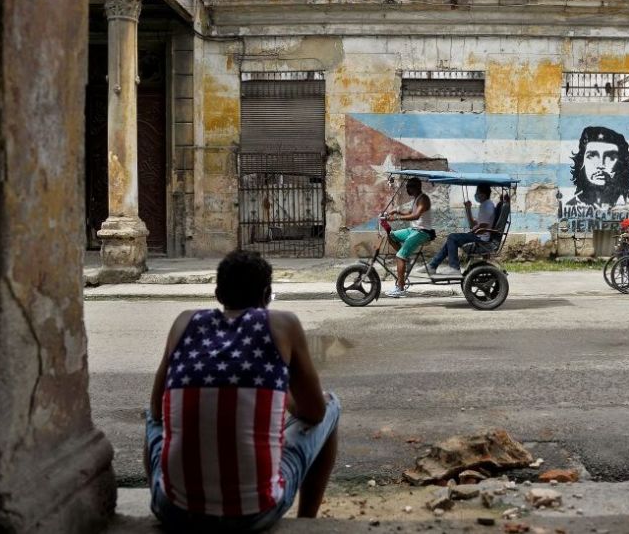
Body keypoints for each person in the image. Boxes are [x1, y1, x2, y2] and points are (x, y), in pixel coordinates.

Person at [144, 250, 340, 532]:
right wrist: (280, 395)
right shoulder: (283, 324)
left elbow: (155, 408)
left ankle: (169, 492)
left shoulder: (183, 322)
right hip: (254, 514)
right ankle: (306, 521)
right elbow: (314, 412)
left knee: (151, 419)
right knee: (332, 406)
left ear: (218, 294)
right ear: (266, 294)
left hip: (174, 513)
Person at [424, 183, 495, 277]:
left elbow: (484, 226)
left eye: (478, 193)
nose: (476, 195)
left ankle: (454, 268)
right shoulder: (484, 205)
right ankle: (432, 266)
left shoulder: (487, 206)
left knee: (452, 237)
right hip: (478, 235)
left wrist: (474, 231)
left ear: (484, 194)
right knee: (451, 239)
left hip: (480, 238)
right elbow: (473, 224)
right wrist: (468, 209)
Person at [383, 177, 434, 298]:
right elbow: (410, 213)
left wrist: (396, 218)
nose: (407, 189)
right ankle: (405, 258)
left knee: (400, 256)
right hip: (413, 230)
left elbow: (415, 216)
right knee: (392, 236)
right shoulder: (417, 199)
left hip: (423, 232)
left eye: (408, 187)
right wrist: (396, 211)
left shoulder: (424, 199)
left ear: (415, 187)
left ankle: (400, 288)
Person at [564, 126, 629, 211]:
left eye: (610, 157)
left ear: (622, 164)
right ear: (581, 162)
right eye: (592, 156)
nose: (601, 165)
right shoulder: (571, 207)